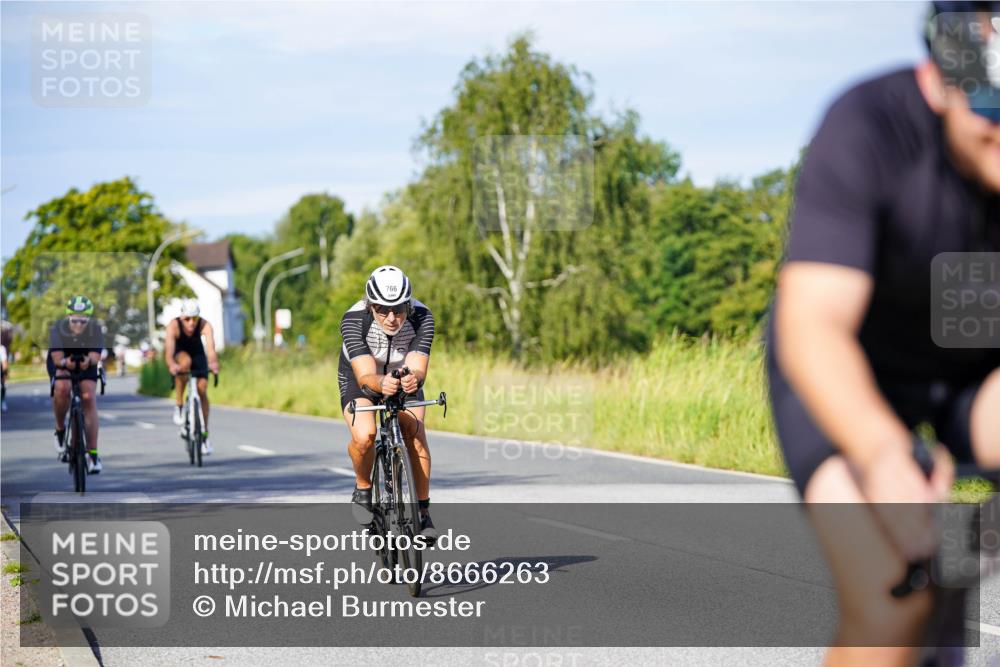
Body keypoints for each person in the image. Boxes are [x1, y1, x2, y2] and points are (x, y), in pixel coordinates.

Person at [768, 2, 1000, 663]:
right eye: (990, 111)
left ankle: (957, 576)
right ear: (936, 84)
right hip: (847, 363)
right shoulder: (868, 125)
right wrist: (883, 454)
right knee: (890, 592)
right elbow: (814, 325)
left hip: (970, 372)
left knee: (944, 579)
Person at [338, 266, 438, 539]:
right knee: (365, 435)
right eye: (382, 310)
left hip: (403, 374)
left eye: (399, 309)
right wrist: (381, 384)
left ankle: (423, 511)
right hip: (363, 376)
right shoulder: (353, 319)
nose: (392, 318)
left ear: (408, 303)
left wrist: (412, 379)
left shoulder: (423, 317)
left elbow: (418, 367)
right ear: (370, 306)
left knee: (415, 433)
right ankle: (363, 488)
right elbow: (365, 376)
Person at [47, 295, 105, 473]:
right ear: (67, 318)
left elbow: (96, 357)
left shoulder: (95, 329)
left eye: (83, 321)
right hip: (62, 362)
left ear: (89, 318)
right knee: (63, 388)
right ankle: (60, 429)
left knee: (88, 397)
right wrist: (65, 363)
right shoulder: (57, 329)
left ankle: (93, 454)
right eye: (74, 320)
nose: (79, 325)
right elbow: (57, 358)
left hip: (85, 362)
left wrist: (88, 361)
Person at [164, 299, 219, 455]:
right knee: (185, 363)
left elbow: (211, 349)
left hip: (197, 353)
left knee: (202, 389)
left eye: (194, 318)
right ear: (182, 317)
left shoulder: (205, 325)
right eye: (187, 319)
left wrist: (213, 364)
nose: (191, 323)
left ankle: (204, 435)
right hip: (180, 353)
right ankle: (179, 404)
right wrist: (172, 366)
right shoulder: (173, 325)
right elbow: (168, 352)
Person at [1, 342, 9, 412]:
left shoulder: (1, 348)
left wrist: (4, 373)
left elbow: (4, 362)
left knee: (2, 385)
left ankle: (2, 401)